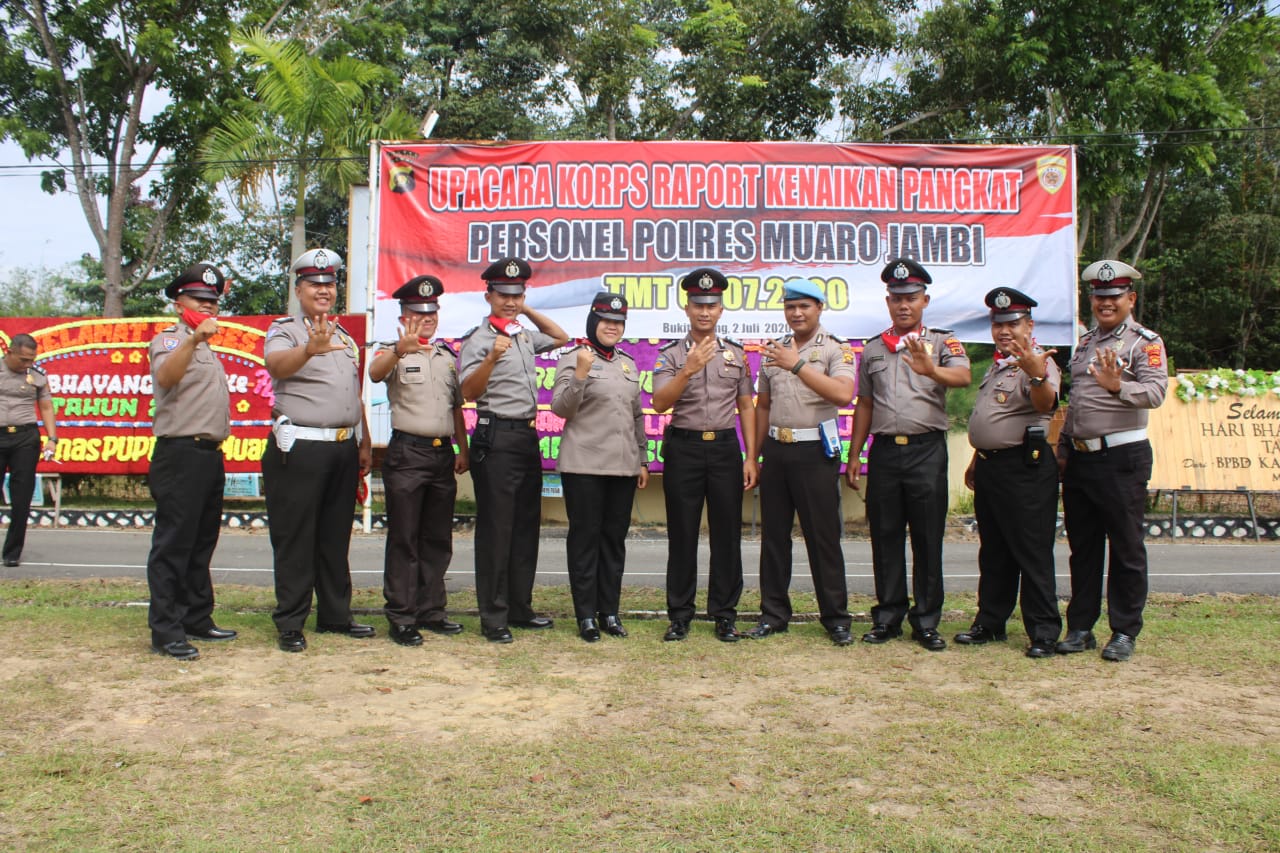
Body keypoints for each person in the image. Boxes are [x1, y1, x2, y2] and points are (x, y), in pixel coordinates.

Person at [847, 258, 971, 652]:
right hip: (884, 452)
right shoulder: (872, 350)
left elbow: (964, 377)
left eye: (912, 298)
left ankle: (927, 620)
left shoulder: (941, 342)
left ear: (925, 300)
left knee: (927, 537)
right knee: (884, 536)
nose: (904, 305)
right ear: (888, 302)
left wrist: (931, 369)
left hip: (926, 451)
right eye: (897, 298)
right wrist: (855, 455)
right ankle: (887, 617)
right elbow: (864, 404)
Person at [263, 248, 374, 653]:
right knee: (296, 538)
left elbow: (353, 394)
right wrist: (309, 348)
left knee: (334, 537)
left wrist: (363, 441)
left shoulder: (344, 338)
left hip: (342, 448)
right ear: (299, 290)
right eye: (315, 284)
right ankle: (291, 622)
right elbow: (276, 366)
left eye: (329, 284)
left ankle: (335, 614)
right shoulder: (287, 330)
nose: (324, 290)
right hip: (300, 449)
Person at [1056, 260, 1167, 662]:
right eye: (1099, 297)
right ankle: (1081, 627)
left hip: (1122, 456)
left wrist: (1119, 386)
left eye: (1114, 296)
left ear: (1130, 299)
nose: (1105, 303)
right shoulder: (1084, 343)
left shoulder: (1144, 343)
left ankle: (1123, 631)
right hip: (1082, 458)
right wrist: (1065, 449)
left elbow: (1155, 393)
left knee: (1125, 547)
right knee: (1083, 547)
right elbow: (1077, 404)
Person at [459, 257, 569, 643]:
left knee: (525, 528)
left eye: (517, 294)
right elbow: (467, 393)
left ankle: (520, 608)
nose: (509, 300)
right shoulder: (479, 339)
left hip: (525, 437)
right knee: (497, 530)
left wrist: (526, 311)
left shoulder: (523, 333)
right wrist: (491, 357)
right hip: (496, 436)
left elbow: (560, 337)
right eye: (503, 294)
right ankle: (494, 616)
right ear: (488, 295)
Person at [747, 278, 857, 646]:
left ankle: (836, 619)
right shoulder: (774, 351)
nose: (796, 313)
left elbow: (843, 394)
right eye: (790, 306)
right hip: (777, 450)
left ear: (819, 308)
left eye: (804, 306)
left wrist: (797, 365)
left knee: (822, 538)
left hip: (814, 453)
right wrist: (754, 455)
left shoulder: (835, 349)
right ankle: (773, 614)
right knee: (774, 539)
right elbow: (763, 406)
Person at [651, 268, 757, 642]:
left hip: (726, 448)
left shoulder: (736, 355)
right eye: (698, 304)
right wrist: (688, 370)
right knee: (682, 534)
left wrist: (750, 456)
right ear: (686, 307)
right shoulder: (670, 355)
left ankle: (725, 614)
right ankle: (680, 614)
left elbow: (746, 406)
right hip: (685, 448)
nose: (705, 312)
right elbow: (660, 403)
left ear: (721, 308)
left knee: (727, 534)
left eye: (712, 305)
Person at [957, 287, 1062, 659]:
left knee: (1031, 551)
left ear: (1029, 325)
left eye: (1013, 323)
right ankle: (990, 622)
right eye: (998, 323)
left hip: (1025, 469)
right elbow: (994, 419)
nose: (1004, 330)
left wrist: (1035, 376)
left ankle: (1044, 631)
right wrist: (976, 457)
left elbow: (1045, 404)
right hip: (991, 467)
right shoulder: (999, 364)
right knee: (995, 552)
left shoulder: (1039, 362)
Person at [143, 264, 238, 661]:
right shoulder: (171, 341)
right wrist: (194, 338)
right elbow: (166, 379)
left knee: (202, 543)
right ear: (179, 303)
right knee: (173, 545)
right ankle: (166, 630)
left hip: (208, 455)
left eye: (214, 302)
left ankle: (197, 616)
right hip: (179, 453)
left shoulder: (208, 345)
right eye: (201, 300)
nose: (208, 307)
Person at [369, 275, 470, 647]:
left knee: (437, 539)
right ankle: (401, 615)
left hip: (442, 454)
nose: (425, 319)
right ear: (403, 314)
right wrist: (400, 348)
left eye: (430, 313)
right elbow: (374, 373)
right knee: (405, 539)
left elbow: (456, 407)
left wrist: (463, 448)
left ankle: (432, 611)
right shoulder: (394, 351)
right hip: (407, 453)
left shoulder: (445, 357)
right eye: (417, 312)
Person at [551, 292, 648, 642]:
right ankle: (585, 616)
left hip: (623, 468)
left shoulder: (627, 364)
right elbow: (561, 408)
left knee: (613, 542)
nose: (613, 327)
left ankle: (609, 611)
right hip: (585, 466)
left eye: (619, 322)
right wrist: (580, 373)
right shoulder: (575, 358)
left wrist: (642, 459)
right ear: (594, 322)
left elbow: (636, 415)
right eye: (606, 320)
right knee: (584, 540)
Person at [1, 334, 57, 568]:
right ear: (10, 352)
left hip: (25, 437)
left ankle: (12, 553)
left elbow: (45, 406)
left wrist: (52, 439)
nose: (27, 364)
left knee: (22, 498)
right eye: (23, 359)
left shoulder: (37, 376)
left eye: (31, 359)